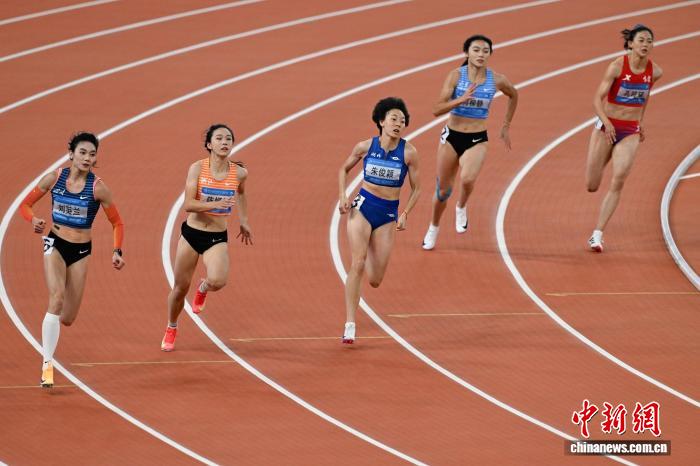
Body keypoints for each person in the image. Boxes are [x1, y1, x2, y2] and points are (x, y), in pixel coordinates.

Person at [19, 132, 125, 388]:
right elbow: (25, 205)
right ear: (71, 154)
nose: (87, 158)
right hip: (55, 243)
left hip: (81, 251)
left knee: (67, 318)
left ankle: (52, 338)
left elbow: (117, 223)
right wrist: (33, 220)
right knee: (56, 298)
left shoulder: (98, 188)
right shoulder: (54, 178)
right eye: (82, 152)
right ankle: (47, 365)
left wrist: (117, 250)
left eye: (92, 154)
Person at [422, 34, 518, 250]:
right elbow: (436, 109)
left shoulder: (497, 79)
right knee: (443, 192)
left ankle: (461, 206)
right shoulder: (456, 76)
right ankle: (433, 227)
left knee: (467, 178)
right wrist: (460, 99)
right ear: (467, 53)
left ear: (490, 54)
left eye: (485, 51)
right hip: (451, 137)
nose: (481, 54)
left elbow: (514, 94)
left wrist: (506, 125)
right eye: (476, 50)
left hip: (477, 138)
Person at [161, 123, 252, 352]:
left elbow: (241, 194)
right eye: (219, 138)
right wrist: (215, 203)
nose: (224, 142)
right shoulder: (197, 169)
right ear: (209, 144)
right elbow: (188, 204)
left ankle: (203, 287)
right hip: (192, 234)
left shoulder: (239, 173)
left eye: (228, 139)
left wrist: (244, 220)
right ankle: (172, 326)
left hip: (216, 236)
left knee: (219, 281)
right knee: (180, 289)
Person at [338, 97, 420, 344]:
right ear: (381, 121)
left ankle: (365, 265)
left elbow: (417, 189)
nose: (398, 124)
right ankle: (350, 323)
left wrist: (405, 213)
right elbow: (343, 169)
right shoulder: (365, 146)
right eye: (393, 119)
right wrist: (343, 196)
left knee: (374, 280)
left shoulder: (409, 152)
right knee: (358, 262)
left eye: (402, 121)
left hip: (387, 215)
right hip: (363, 207)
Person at [585, 24, 662, 252]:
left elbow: (645, 96)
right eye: (641, 40)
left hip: (630, 131)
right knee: (592, 185)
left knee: (619, 179)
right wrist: (607, 124)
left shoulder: (655, 72)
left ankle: (597, 234)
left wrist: (640, 121)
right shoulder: (617, 66)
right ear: (630, 43)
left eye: (649, 41)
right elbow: (596, 100)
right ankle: (601, 161)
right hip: (606, 127)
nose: (646, 44)